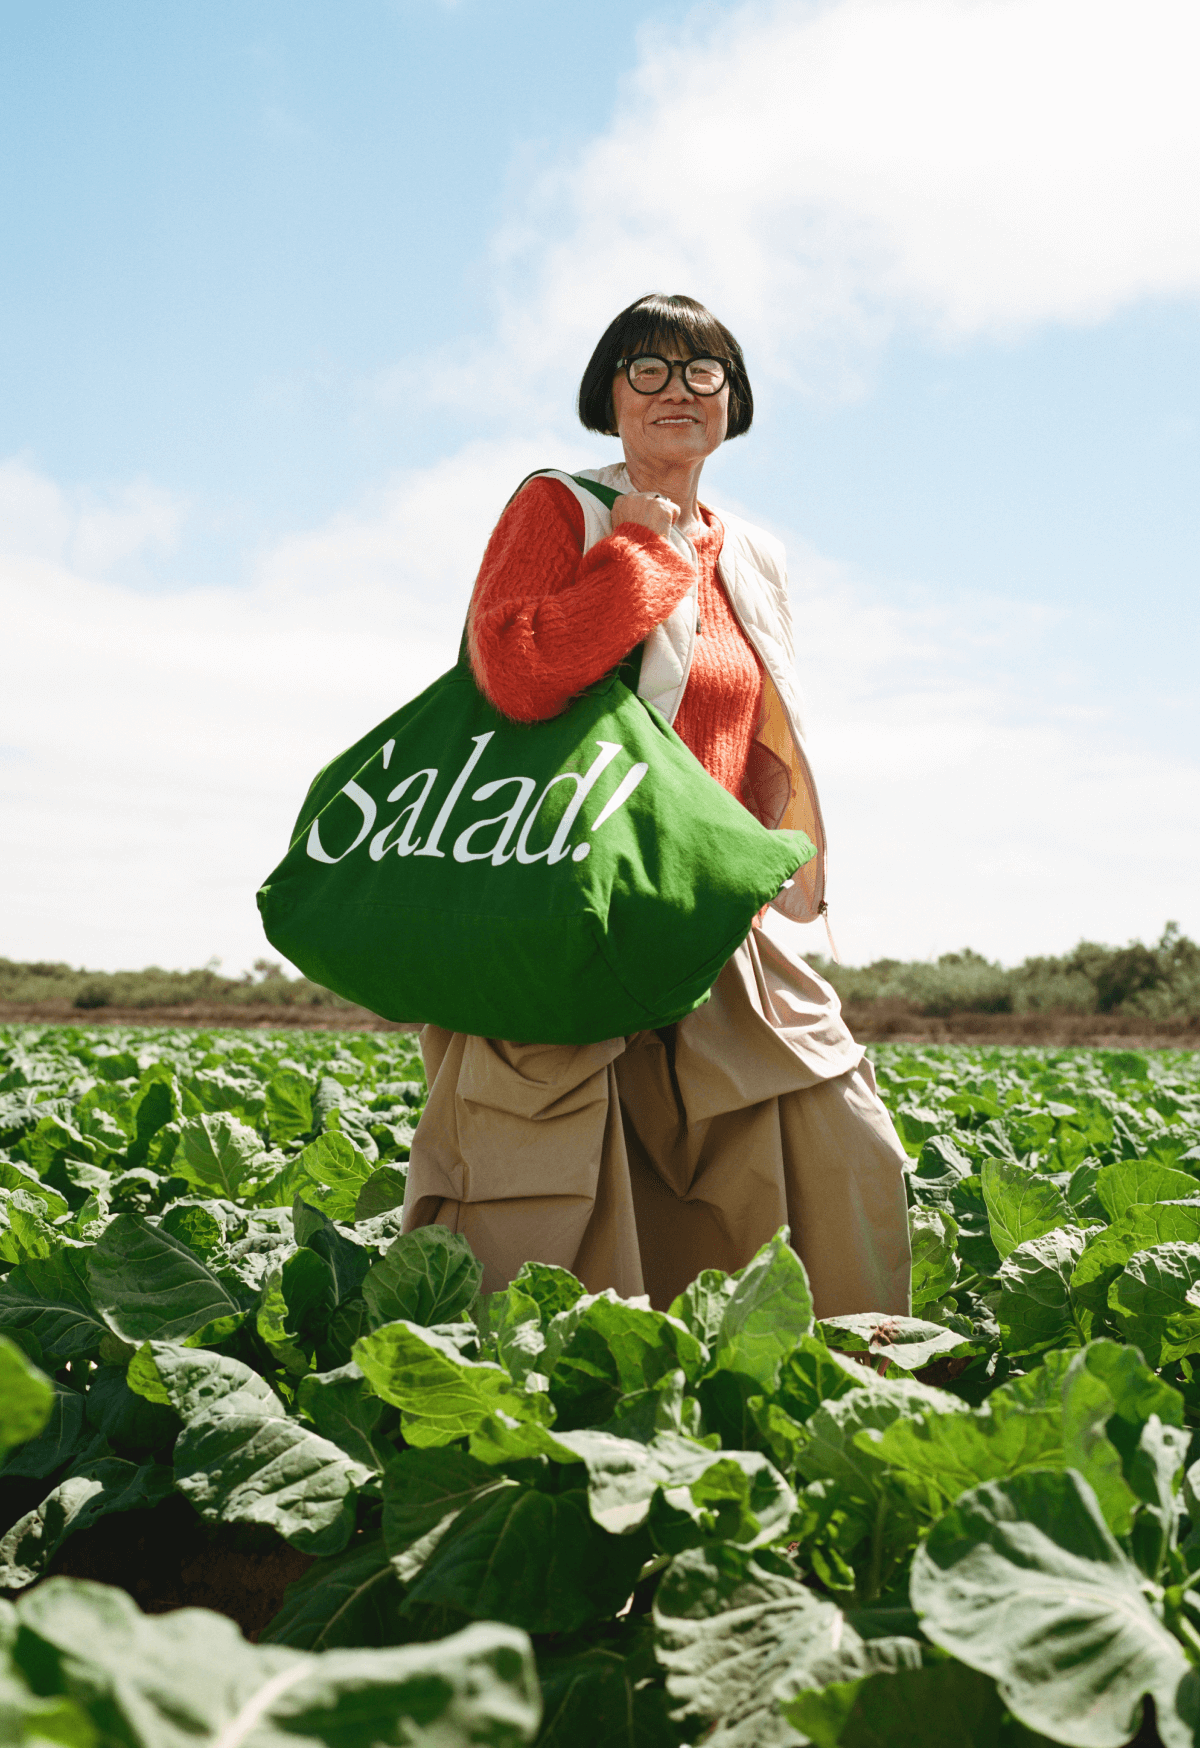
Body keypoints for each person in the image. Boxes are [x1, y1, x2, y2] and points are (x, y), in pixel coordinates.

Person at [400, 292, 911, 1318]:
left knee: (840, 1146)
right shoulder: (562, 508)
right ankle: (543, 1417)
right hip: (570, 901)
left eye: (702, 370)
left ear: (733, 400)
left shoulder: (754, 553)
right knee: (549, 1191)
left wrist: (764, 857)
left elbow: (754, 729)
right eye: (648, 368)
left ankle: (837, 1380)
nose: (676, 390)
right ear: (610, 395)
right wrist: (638, 555)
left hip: (706, 902)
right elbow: (517, 670)